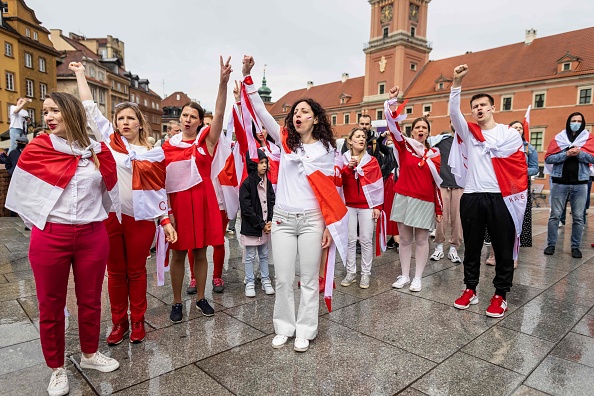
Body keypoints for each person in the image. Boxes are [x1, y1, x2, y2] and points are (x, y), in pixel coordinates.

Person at [5, 92, 121, 396]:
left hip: (93, 235)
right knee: (50, 304)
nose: (49, 117)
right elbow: (23, 191)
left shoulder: (97, 151)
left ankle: (89, 353)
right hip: (51, 235)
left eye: (55, 110)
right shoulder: (39, 148)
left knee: (91, 300)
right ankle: (56, 369)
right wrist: (42, 226)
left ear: (72, 113)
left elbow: (111, 191)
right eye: (45, 112)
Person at [242, 55, 346, 352]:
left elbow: (329, 192)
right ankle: (284, 327)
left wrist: (328, 225)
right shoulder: (285, 140)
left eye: (305, 111)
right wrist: (248, 78)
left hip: (313, 219)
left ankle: (306, 329)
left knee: (309, 279)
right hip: (284, 219)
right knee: (285, 278)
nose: (298, 115)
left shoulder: (326, 150)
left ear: (315, 118)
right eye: (296, 112)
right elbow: (261, 112)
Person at [70, 62, 177, 345]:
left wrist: (164, 221)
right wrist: (81, 74)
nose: (125, 123)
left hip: (140, 219)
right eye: (120, 119)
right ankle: (119, 323)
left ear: (140, 122)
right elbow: (90, 107)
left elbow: (158, 190)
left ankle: (138, 320)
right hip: (111, 217)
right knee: (115, 273)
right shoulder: (109, 141)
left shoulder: (153, 153)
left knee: (136, 271)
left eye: (130, 118)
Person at [449, 64, 527, 318]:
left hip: (501, 196)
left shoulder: (509, 135)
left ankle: (500, 294)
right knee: (471, 247)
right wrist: (457, 83)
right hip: (472, 195)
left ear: (493, 107)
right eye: (475, 107)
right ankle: (470, 289)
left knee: (503, 248)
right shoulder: (469, 133)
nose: (479, 109)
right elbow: (453, 112)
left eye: (483, 105)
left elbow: (517, 166)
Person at [163, 56, 232, 322]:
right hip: (179, 204)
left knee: (202, 252)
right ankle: (177, 301)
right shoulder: (168, 147)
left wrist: (222, 83)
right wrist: (167, 213)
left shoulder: (207, 142)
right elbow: (162, 182)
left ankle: (202, 297)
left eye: (194, 116)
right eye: (185, 115)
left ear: (201, 121)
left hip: (203, 201)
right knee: (179, 253)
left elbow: (221, 113)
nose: (188, 119)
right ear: (180, 119)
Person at [385, 87, 443, 293]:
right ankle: (404, 275)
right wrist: (392, 102)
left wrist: (439, 207)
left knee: (421, 239)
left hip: (424, 200)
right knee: (405, 239)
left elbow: (436, 183)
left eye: (424, 128)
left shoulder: (434, 154)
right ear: (412, 131)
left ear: (428, 132)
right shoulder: (404, 147)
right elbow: (392, 128)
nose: (420, 130)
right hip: (403, 197)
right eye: (417, 127)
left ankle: (417, 277)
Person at [544, 112, 594, 258]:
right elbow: (548, 158)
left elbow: (592, 158)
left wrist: (579, 153)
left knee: (578, 217)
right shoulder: (559, 139)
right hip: (560, 183)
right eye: (573, 120)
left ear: (583, 123)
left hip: (580, 184)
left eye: (579, 121)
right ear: (568, 122)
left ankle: (575, 247)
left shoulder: (589, 139)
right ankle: (551, 245)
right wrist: (566, 154)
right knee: (555, 216)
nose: (576, 123)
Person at [340, 127, 383, 289]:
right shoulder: (342, 159)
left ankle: (366, 273)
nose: (361, 139)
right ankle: (350, 272)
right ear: (350, 141)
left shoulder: (371, 161)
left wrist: (378, 206)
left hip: (367, 206)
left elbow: (378, 184)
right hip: (348, 205)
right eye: (357, 136)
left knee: (365, 240)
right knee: (350, 240)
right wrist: (348, 168)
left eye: (363, 137)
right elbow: (339, 181)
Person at [239, 150, 275, 297]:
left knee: (264, 254)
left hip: (265, 227)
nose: (264, 165)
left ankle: (266, 279)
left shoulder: (268, 182)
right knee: (249, 256)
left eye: (266, 162)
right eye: (261, 163)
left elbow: (272, 201)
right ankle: (250, 281)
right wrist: (261, 224)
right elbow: (247, 209)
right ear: (253, 164)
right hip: (252, 227)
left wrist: (270, 221)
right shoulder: (247, 184)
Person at [429, 126, 463, 264]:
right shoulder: (440, 141)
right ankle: (438, 247)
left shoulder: (466, 143)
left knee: (458, 219)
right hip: (442, 184)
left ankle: (454, 248)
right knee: (440, 218)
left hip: (460, 185)